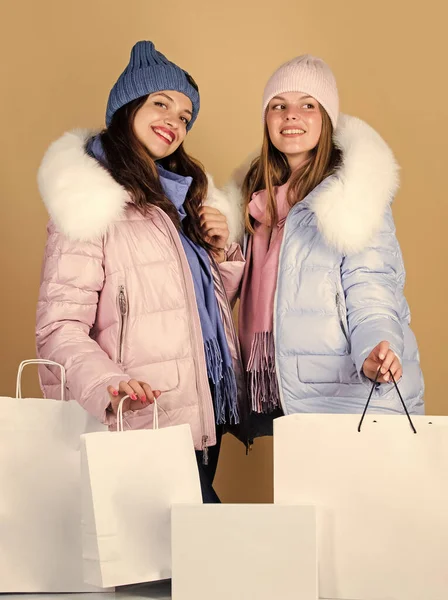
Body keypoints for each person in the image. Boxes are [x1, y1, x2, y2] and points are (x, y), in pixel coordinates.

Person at [35, 40, 246, 502]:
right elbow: (58, 328)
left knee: (181, 560)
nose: (174, 120)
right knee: (184, 556)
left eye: (185, 116)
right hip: (142, 412)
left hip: (202, 405)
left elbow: (188, 308)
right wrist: (109, 384)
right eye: (161, 103)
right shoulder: (91, 199)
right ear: (128, 106)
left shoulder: (178, 198)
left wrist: (219, 252)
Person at [221, 54, 424, 441]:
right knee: (298, 502)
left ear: (326, 119)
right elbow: (227, 292)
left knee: (344, 500)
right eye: (278, 106)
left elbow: (373, 286)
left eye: (308, 105)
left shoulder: (352, 193)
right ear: (266, 120)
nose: (291, 115)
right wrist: (218, 250)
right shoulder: (252, 197)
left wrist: (376, 349)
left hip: (337, 385)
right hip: (271, 381)